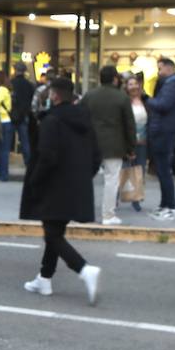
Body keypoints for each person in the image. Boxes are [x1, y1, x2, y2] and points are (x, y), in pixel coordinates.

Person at [20, 75, 103, 304]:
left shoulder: (51, 121)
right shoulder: (85, 120)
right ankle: (44, 278)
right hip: (76, 186)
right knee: (55, 233)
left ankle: (84, 269)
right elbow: (96, 155)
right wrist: (82, 177)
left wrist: (35, 182)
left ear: (54, 96)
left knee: (53, 235)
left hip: (53, 187)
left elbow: (46, 157)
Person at [82, 64, 138, 225]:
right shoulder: (122, 98)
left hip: (90, 143)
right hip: (115, 145)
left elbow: (81, 117)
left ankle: (82, 212)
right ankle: (108, 214)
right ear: (115, 79)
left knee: (85, 178)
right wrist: (131, 147)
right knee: (111, 180)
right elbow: (129, 125)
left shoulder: (89, 95)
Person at [145, 57, 175, 220]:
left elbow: (162, 105)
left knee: (164, 171)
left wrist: (145, 99)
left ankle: (170, 207)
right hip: (164, 131)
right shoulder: (172, 84)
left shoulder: (172, 85)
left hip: (164, 132)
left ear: (169, 69)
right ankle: (165, 205)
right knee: (162, 171)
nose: (159, 72)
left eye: (160, 68)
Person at [124, 74, 149, 212]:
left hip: (143, 141)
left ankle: (136, 199)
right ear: (126, 87)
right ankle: (115, 198)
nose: (134, 87)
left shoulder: (146, 100)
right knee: (124, 170)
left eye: (135, 84)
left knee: (140, 171)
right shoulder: (124, 102)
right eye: (130, 84)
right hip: (128, 141)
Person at [10, 61, 36, 167]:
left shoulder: (11, 83)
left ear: (15, 70)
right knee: (25, 141)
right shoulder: (29, 85)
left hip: (11, 115)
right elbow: (31, 99)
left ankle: (3, 164)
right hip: (24, 114)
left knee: (6, 142)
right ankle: (28, 163)